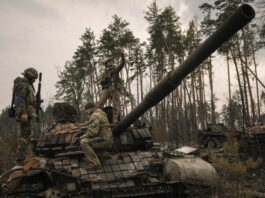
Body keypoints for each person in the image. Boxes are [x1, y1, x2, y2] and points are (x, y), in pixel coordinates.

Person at [13, 67, 38, 166]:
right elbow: (19, 99)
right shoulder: (22, 85)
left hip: (28, 113)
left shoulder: (28, 85)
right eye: (33, 78)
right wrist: (23, 113)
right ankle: (20, 160)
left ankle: (23, 157)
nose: (34, 80)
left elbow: (28, 99)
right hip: (24, 114)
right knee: (25, 137)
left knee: (28, 135)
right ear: (30, 77)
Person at [80, 100, 113, 170]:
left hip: (103, 140)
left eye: (86, 110)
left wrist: (82, 137)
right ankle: (104, 155)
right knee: (91, 142)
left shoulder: (94, 116)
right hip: (108, 139)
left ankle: (95, 164)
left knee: (84, 142)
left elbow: (92, 132)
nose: (86, 112)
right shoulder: (102, 114)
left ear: (90, 108)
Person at [98, 47, 125, 123]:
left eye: (111, 61)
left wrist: (122, 53)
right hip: (106, 88)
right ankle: (99, 119)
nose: (111, 62)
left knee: (116, 104)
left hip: (115, 87)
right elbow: (100, 82)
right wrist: (103, 81)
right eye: (109, 62)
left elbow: (123, 63)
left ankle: (115, 120)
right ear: (106, 64)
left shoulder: (116, 69)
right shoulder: (104, 73)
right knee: (100, 103)